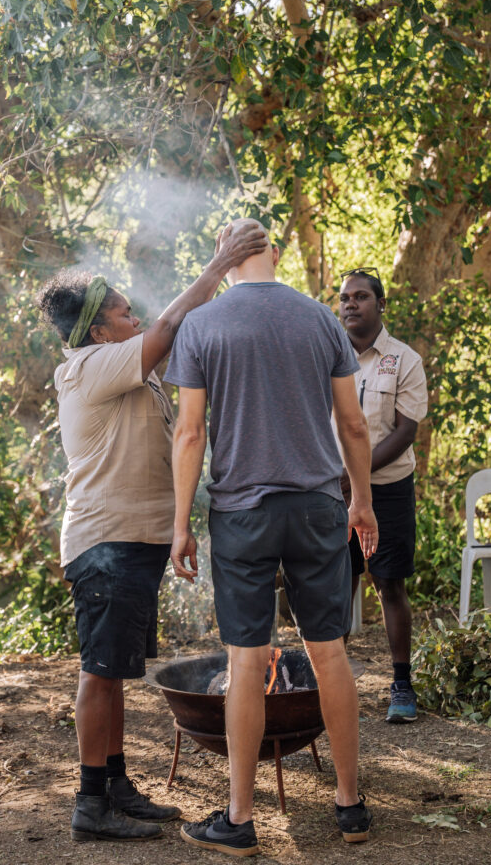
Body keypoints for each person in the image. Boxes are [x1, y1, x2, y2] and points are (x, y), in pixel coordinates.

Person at [35, 223, 267, 844]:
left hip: (132, 544)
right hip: (104, 543)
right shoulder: (88, 367)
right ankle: (90, 804)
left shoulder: (130, 375)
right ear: (96, 329)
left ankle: (115, 786)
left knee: (115, 672)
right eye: (120, 310)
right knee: (99, 671)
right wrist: (219, 263)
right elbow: (168, 327)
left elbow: (179, 346)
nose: (132, 315)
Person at [164, 220, 379, 855]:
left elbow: (190, 434)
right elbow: (353, 423)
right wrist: (361, 502)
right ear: (275, 255)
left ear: (224, 260)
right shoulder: (321, 320)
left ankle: (239, 819)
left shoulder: (203, 325)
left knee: (246, 660)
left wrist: (180, 523)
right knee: (330, 653)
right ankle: (350, 806)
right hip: (317, 505)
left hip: (241, 513)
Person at [337, 268, 428, 723]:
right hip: (331, 492)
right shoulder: (326, 356)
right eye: (344, 298)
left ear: (380, 304)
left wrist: (354, 475)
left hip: (388, 489)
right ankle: (331, 684)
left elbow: (405, 430)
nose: (350, 304)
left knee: (389, 583)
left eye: (360, 297)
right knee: (337, 585)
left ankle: (401, 685)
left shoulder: (404, 359)